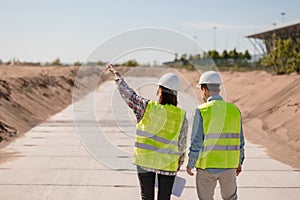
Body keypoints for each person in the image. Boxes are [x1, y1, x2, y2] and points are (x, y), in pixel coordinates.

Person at [107, 64, 188, 200]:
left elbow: (129, 95)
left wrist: (118, 77)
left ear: (160, 91)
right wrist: (179, 164)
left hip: (145, 161)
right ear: (176, 94)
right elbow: (182, 143)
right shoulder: (181, 116)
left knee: (146, 197)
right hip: (168, 164)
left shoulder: (146, 107)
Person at [186, 71, 245, 200]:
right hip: (229, 166)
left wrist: (190, 163)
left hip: (206, 167)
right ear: (218, 88)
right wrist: (239, 161)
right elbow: (240, 141)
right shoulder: (234, 110)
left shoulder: (202, 111)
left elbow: (196, 141)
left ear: (204, 89)